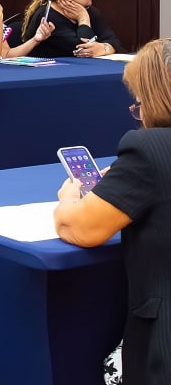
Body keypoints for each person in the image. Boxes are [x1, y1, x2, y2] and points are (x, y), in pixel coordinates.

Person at [54, 38, 171, 384]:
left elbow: (82, 229)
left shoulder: (150, 148)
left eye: (139, 104)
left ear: (154, 99)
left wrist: (69, 198)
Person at [22, 0, 124, 58]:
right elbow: (82, 50)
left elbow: (115, 42)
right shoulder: (47, 17)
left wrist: (103, 48)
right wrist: (83, 18)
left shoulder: (89, 10)